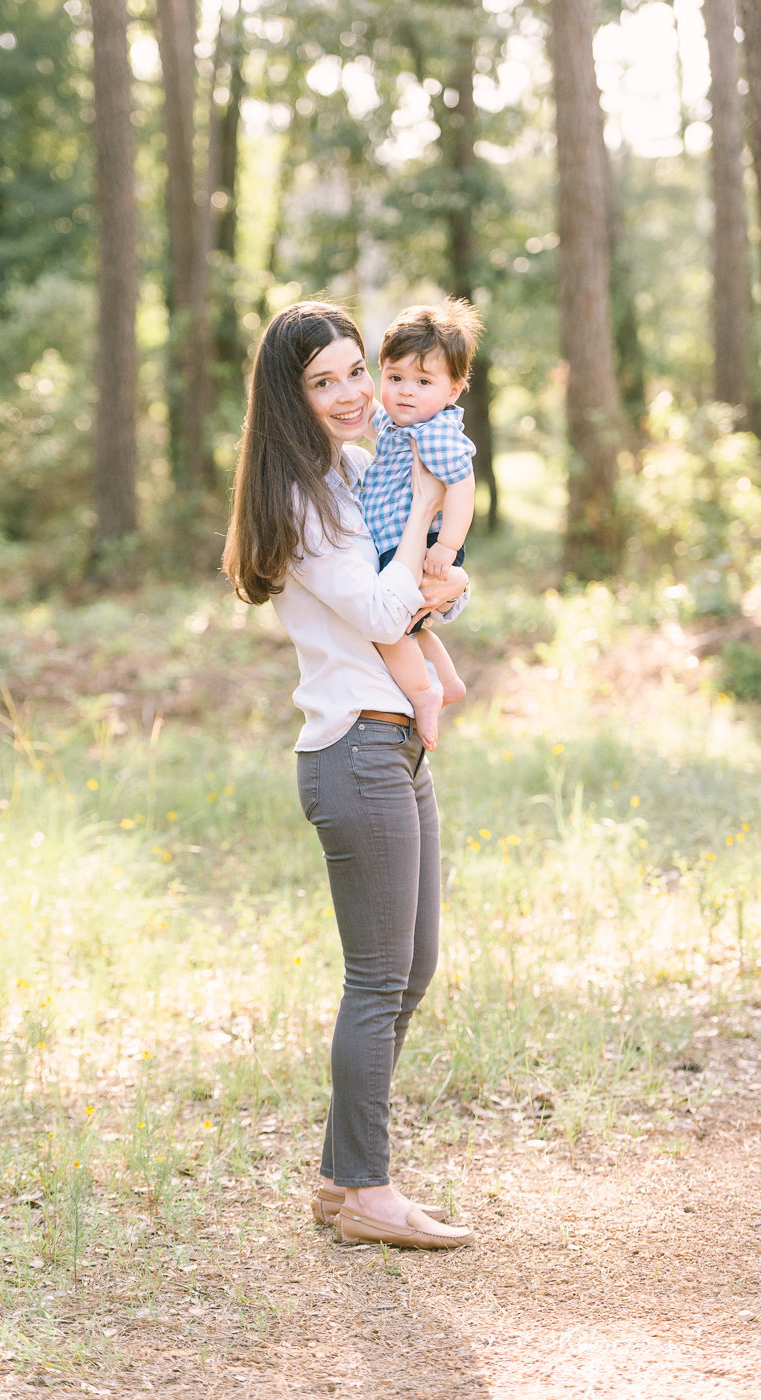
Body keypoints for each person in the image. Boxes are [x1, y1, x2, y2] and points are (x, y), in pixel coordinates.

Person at [222, 301, 475, 1250]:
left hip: (397, 745)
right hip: (354, 750)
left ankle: (341, 1179)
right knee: (378, 979)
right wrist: (417, 523)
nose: (352, 393)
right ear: (291, 400)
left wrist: (448, 572)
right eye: (322, 381)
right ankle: (366, 1190)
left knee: (412, 972)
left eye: (355, 371)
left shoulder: (360, 470)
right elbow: (379, 600)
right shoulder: (300, 499)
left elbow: (434, 584)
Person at [362, 298, 483, 752]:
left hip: (418, 544)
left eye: (422, 381)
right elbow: (367, 413)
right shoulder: (401, 423)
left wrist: (447, 548)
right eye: (395, 378)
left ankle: (424, 694)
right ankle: (448, 681)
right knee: (411, 627)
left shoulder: (436, 432)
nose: (405, 391)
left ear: (453, 389)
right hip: (398, 543)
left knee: (388, 630)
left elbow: (462, 486)